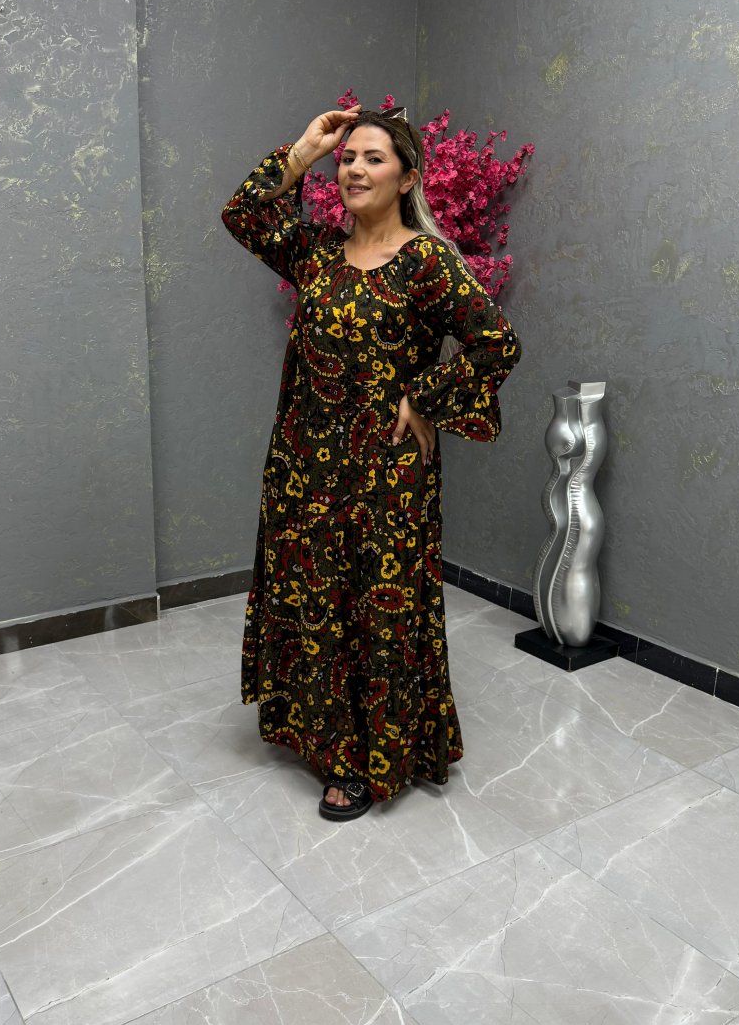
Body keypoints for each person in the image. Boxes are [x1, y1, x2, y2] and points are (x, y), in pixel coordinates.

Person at [221, 103, 521, 821]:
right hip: (305, 467)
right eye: (347, 158)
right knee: (314, 600)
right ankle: (319, 735)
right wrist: (302, 150)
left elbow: (497, 343)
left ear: (407, 177)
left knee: (376, 610)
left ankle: (366, 761)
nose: (353, 169)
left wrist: (425, 398)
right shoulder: (318, 253)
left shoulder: (426, 263)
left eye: (372, 158)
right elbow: (243, 214)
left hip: (386, 477)